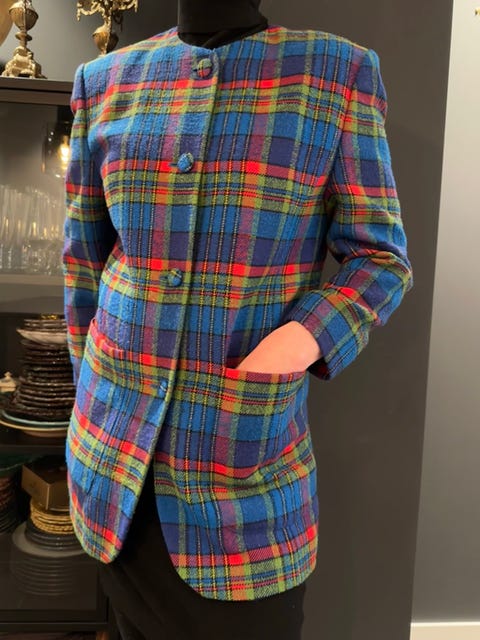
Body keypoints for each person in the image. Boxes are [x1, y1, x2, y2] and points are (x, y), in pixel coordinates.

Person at [62, 0, 413, 638]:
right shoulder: (104, 80)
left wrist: (301, 340)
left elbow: (380, 259)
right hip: (111, 473)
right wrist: (94, 386)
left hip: (243, 491)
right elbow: (84, 261)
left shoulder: (334, 74)